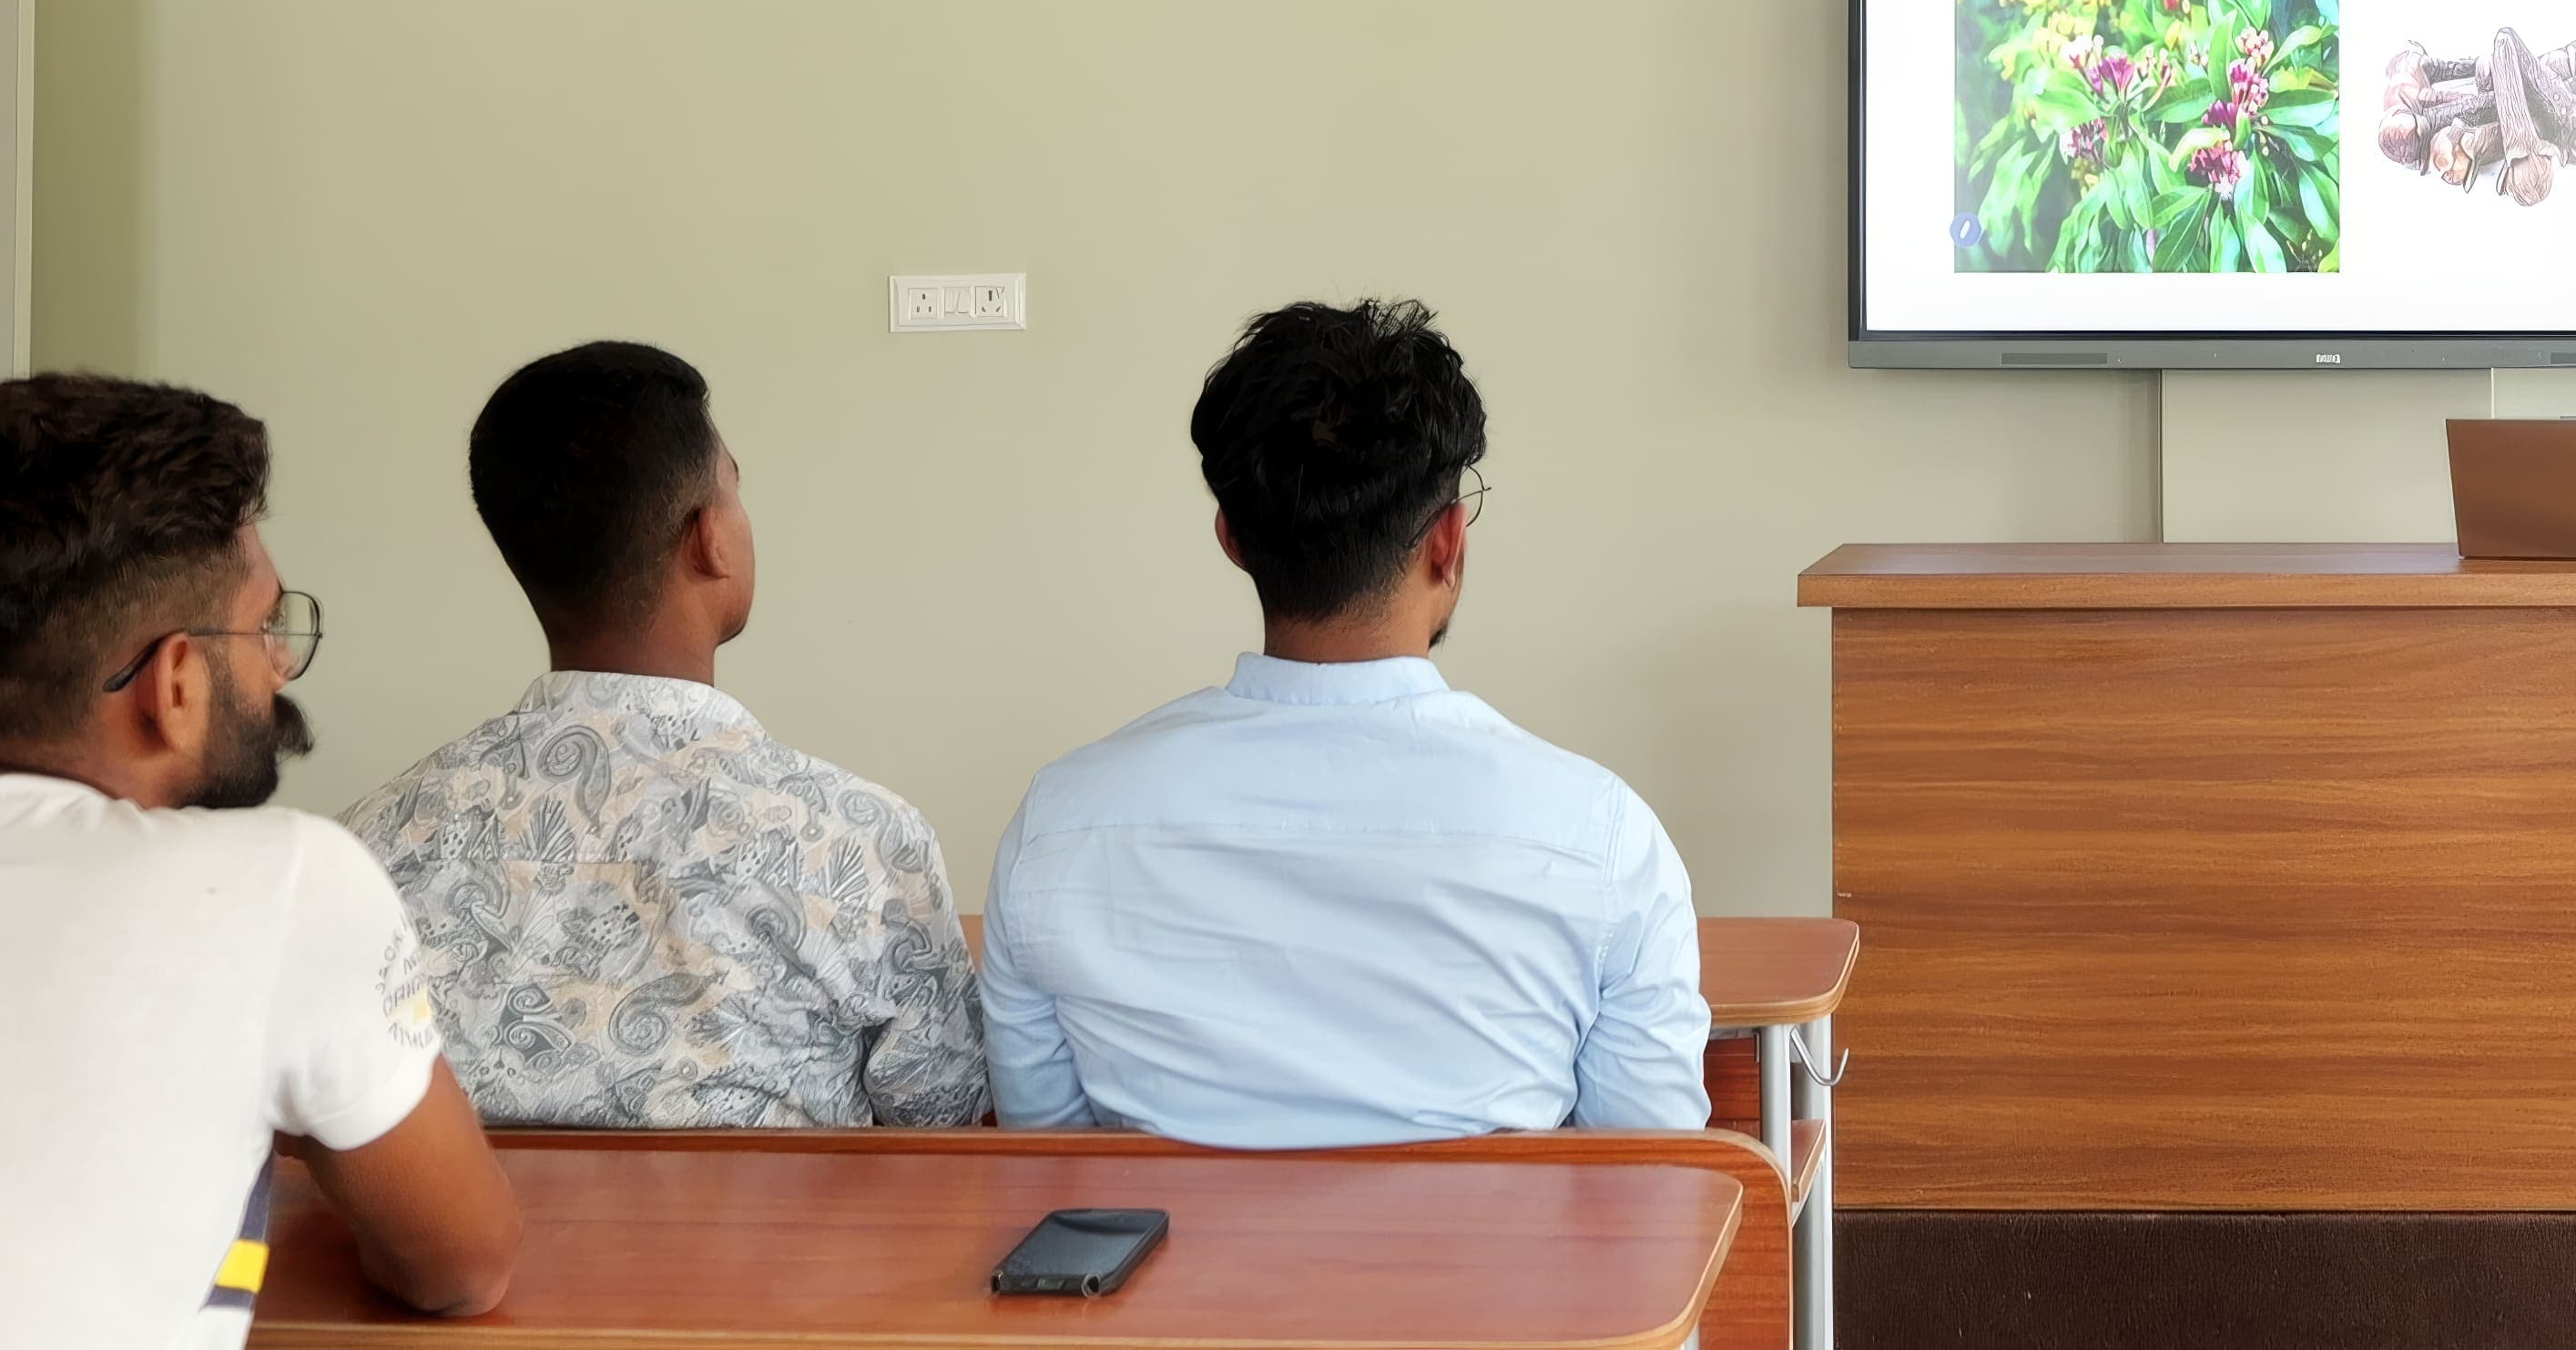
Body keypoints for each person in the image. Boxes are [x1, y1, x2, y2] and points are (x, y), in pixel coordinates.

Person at [982, 299, 1707, 1143]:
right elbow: (1649, 1187)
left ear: (1232, 539)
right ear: (1447, 541)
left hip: (1178, 1279)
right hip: (1488, 1278)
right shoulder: (1603, 838)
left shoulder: (1058, 823)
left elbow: (1053, 1173)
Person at [342, 343, 987, 1127]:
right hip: (770, 1251)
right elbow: (945, 1126)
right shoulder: (860, 843)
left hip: (441, 1249)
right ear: (709, 538)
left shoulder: (369, 844)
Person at [0, 373, 519, 1343]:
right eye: (264, 624)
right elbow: (464, 1262)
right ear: (177, 681)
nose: (279, 661)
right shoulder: (282, 882)